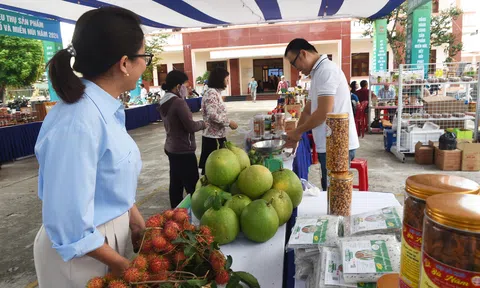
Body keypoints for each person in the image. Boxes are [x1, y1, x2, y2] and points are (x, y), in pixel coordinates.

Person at [33, 7, 150, 287]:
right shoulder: (77, 122)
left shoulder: (105, 109)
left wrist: (132, 216)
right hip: (82, 255)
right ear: (124, 63)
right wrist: (121, 263)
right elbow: (68, 221)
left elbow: (107, 177)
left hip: (104, 243)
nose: (146, 65)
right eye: (145, 57)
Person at [284, 38, 359, 191]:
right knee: (329, 192)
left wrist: (298, 131)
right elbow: (308, 110)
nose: (296, 69)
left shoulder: (327, 71)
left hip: (337, 145)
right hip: (328, 144)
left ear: (303, 54)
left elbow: (323, 112)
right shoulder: (317, 73)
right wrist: (296, 135)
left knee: (336, 194)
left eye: (294, 63)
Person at [159, 70, 206, 208]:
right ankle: (196, 212)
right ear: (178, 86)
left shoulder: (164, 100)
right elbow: (190, 126)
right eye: (186, 85)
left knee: (176, 182)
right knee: (192, 186)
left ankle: (176, 211)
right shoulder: (178, 102)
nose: (188, 89)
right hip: (183, 150)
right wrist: (203, 124)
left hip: (171, 148)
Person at [199, 67, 238, 175]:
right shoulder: (211, 93)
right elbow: (213, 115)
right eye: (226, 80)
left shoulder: (216, 93)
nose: (228, 82)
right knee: (213, 170)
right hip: (212, 137)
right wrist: (229, 122)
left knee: (220, 169)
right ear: (219, 79)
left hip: (218, 135)